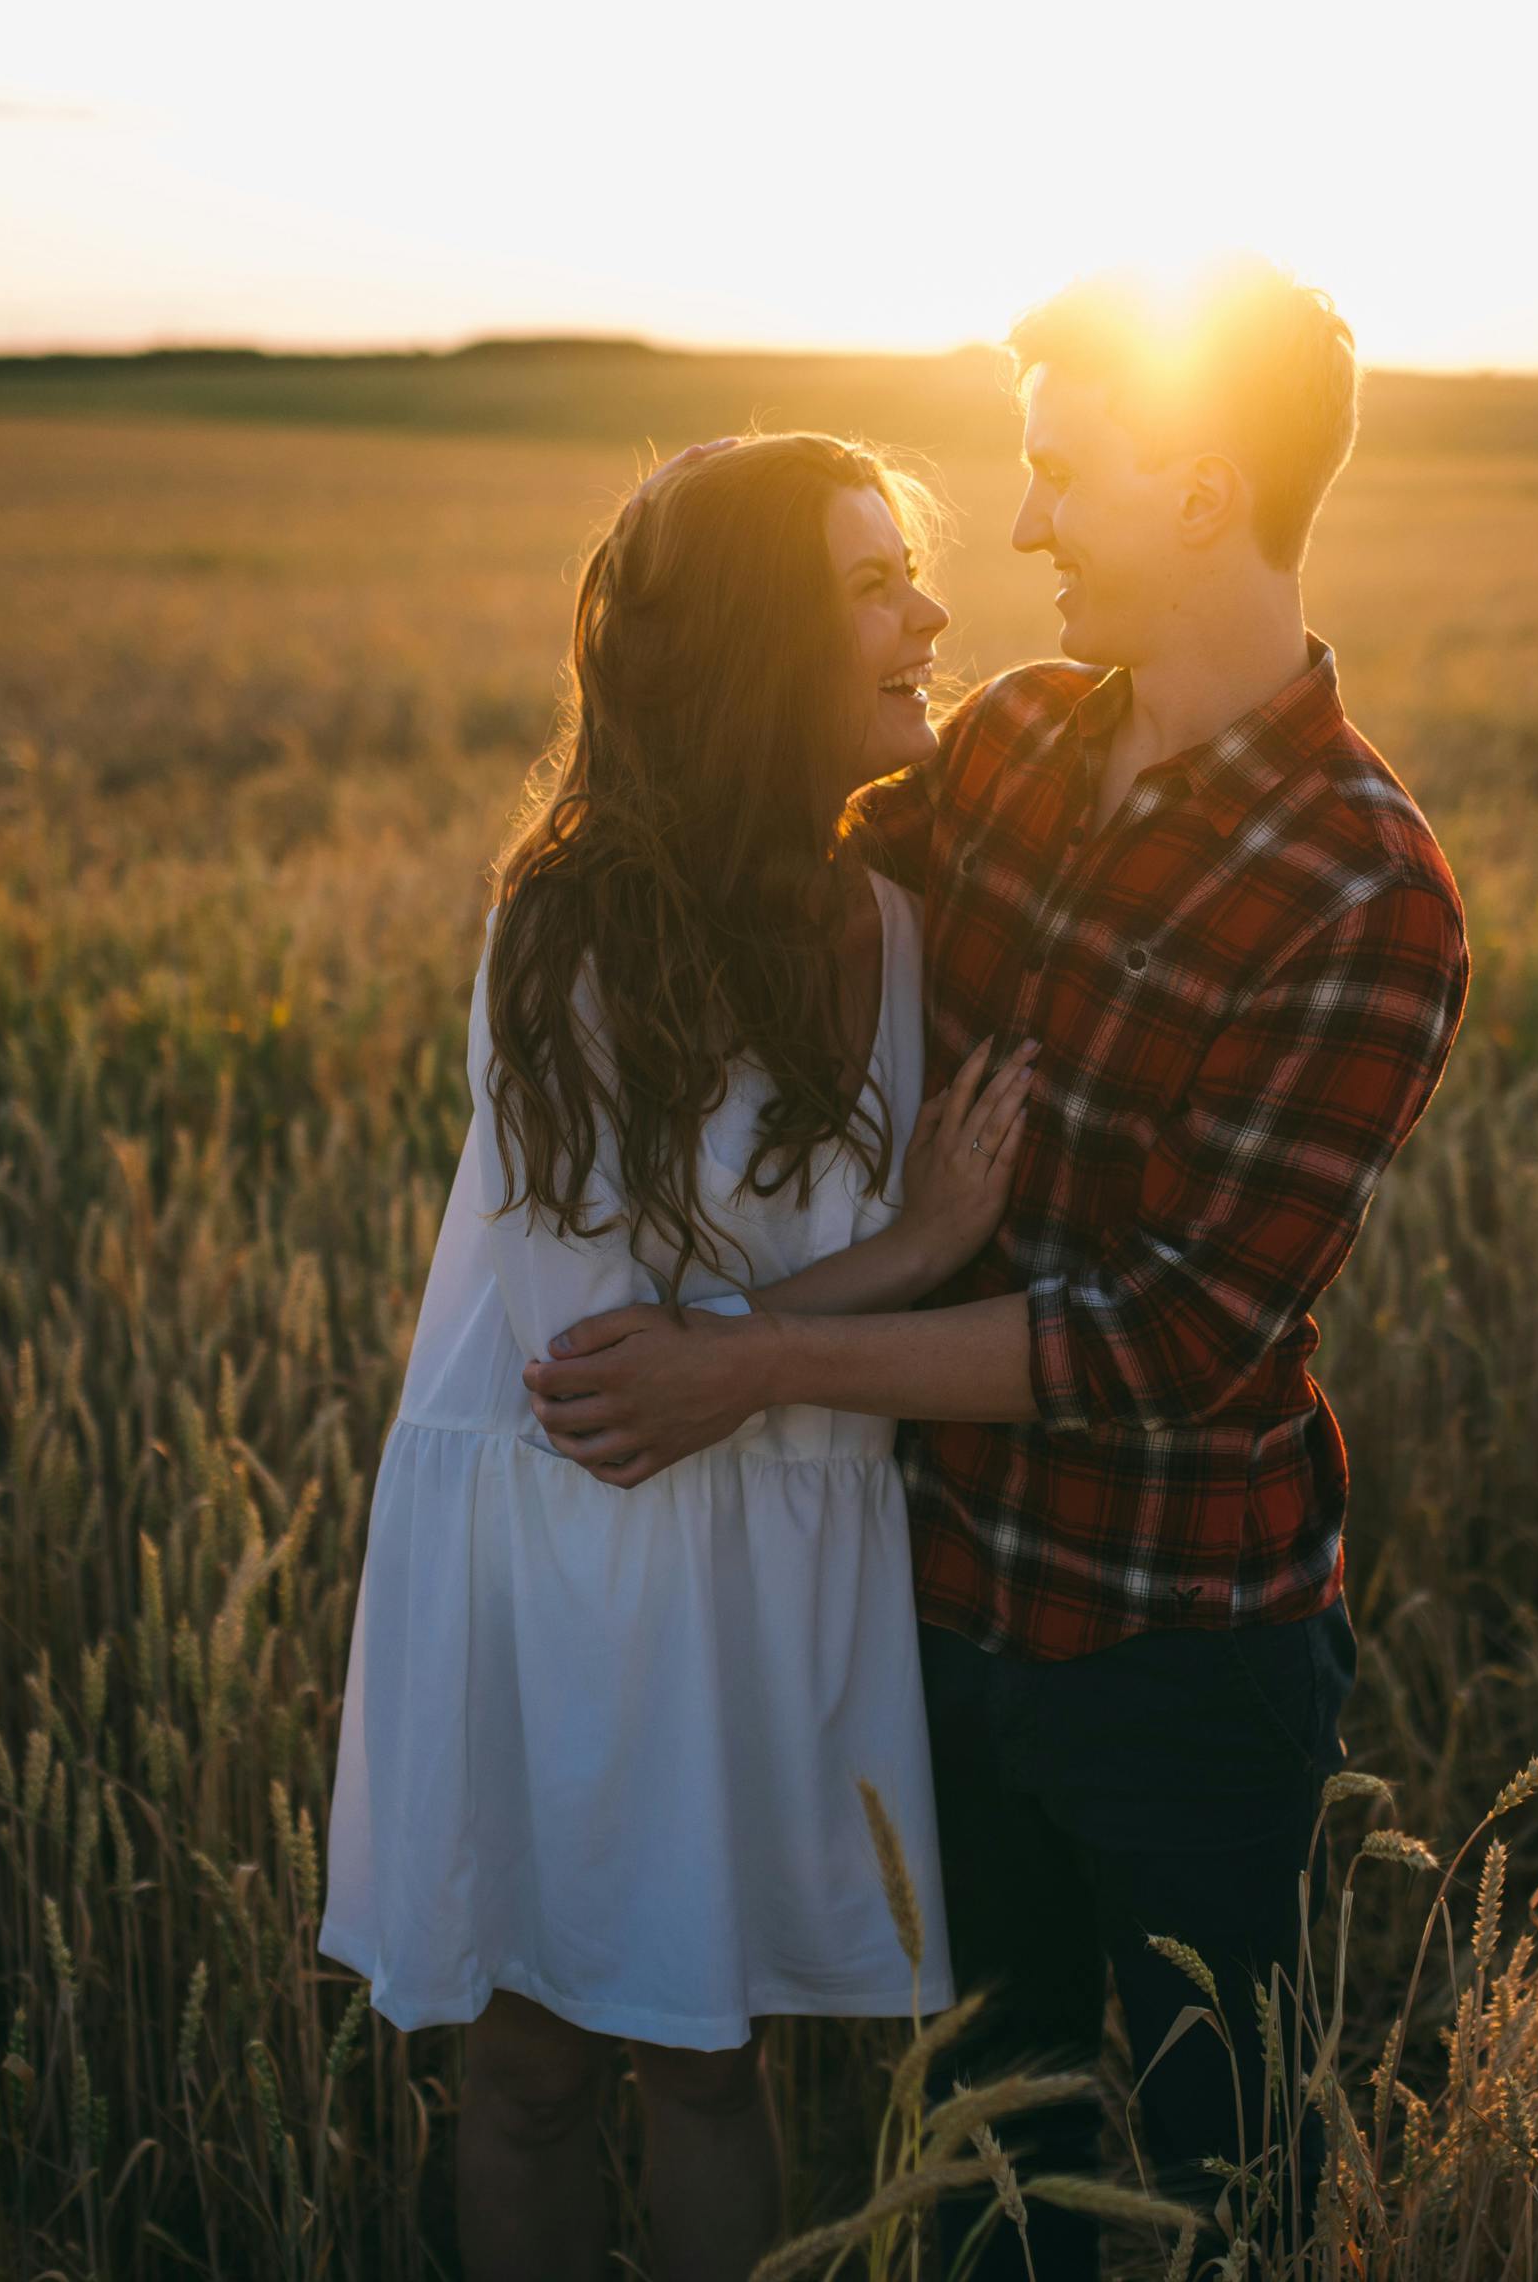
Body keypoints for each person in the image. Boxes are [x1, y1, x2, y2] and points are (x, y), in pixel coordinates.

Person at [521, 261, 1472, 2277]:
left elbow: (1176, 1342)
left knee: (1228, 2188)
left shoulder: (1366, 890)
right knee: (982, 2171)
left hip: (1176, 1649)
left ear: (1202, 493)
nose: (1020, 527)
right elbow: (741, 837)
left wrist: (753, 1357)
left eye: (1059, 476)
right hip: (936, 1610)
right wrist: (673, 596)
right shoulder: (1019, 746)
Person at [319, 432, 1042, 2282]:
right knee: (537, 2061)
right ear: (753, 644)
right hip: (584, 1555)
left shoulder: (890, 927)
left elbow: (712, 1346)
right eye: (872, 585)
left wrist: (806, 1326)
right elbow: (602, 1379)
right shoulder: (571, 925)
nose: (931, 614)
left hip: (780, 1545)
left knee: (713, 2066)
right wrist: (920, 1254)